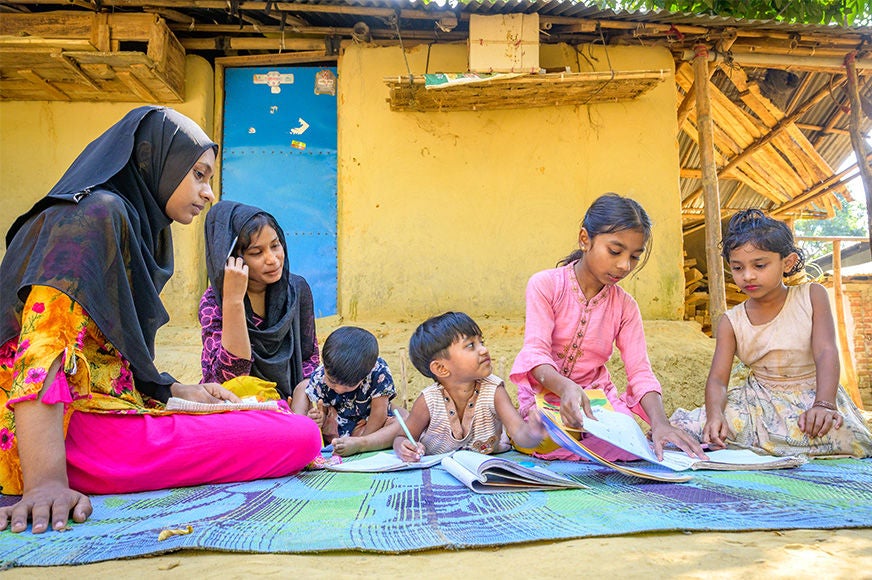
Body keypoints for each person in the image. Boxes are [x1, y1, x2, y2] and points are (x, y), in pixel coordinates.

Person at [0, 106, 322, 535]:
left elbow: (110, 358)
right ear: (158, 162)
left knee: (277, 416)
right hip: (51, 434)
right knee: (295, 435)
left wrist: (174, 390)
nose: (208, 193)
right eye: (200, 174)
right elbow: (40, 352)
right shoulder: (91, 216)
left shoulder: (128, 222)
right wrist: (44, 483)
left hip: (94, 413)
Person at [510, 193, 706, 462]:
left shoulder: (626, 307)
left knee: (631, 446)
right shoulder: (545, 285)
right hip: (544, 397)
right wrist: (565, 388)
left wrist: (660, 423)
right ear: (584, 239)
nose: (624, 265)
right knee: (545, 439)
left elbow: (639, 371)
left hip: (598, 402)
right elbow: (536, 353)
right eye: (615, 251)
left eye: (634, 257)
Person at [671, 209, 872, 457]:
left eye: (759, 265)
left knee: (847, 437)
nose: (748, 276)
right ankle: (762, 444)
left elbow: (826, 351)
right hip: (756, 402)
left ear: (786, 262)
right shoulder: (731, 321)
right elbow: (717, 380)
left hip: (812, 397)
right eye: (737, 267)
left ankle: (767, 446)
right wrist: (715, 417)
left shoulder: (811, 296)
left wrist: (824, 404)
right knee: (688, 428)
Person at [200, 201, 319, 400]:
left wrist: (302, 402)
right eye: (256, 253)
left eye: (275, 245)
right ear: (233, 258)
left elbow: (310, 359)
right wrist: (234, 301)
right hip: (235, 402)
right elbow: (229, 376)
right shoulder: (214, 301)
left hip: (291, 403)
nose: (272, 259)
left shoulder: (297, 290)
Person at [395, 312, 544, 462]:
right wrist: (404, 448)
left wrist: (533, 434)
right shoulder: (428, 401)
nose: (484, 350)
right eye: (471, 345)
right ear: (441, 368)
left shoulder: (494, 390)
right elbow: (402, 437)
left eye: (482, 342)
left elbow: (519, 432)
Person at [294, 326, 399, 456]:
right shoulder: (320, 375)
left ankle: (362, 445)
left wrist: (361, 440)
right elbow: (322, 409)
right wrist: (318, 419)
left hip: (366, 426)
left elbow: (379, 413)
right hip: (334, 427)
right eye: (332, 382)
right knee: (302, 387)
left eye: (347, 386)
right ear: (324, 363)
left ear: (366, 374)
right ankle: (297, 435)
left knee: (401, 423)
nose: (338, 389)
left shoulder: (378, 372)